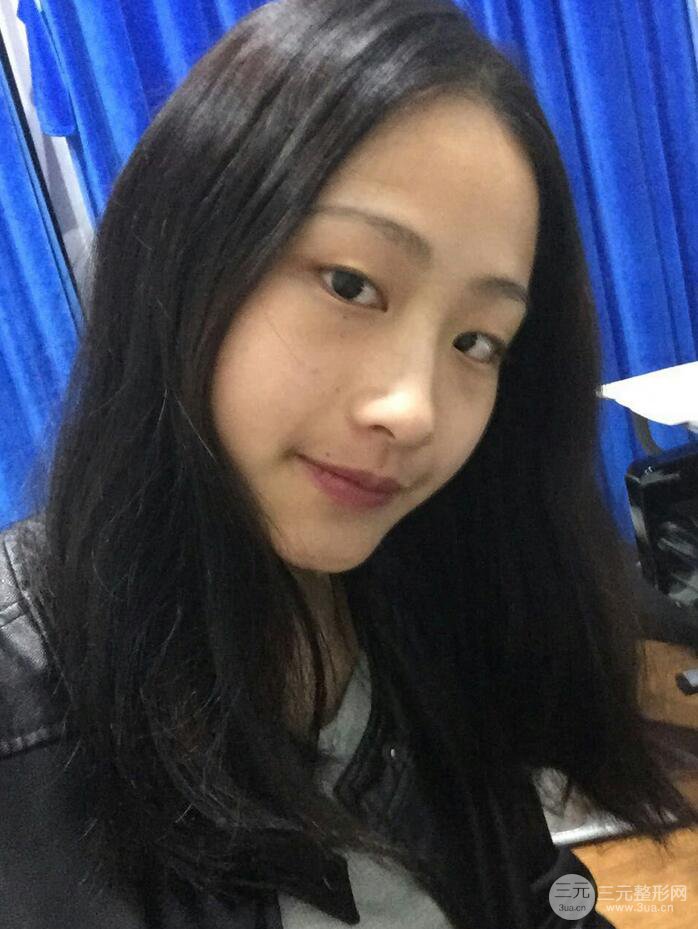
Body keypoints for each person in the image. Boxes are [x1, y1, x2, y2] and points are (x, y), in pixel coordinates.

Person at [1, 1, 695, 927]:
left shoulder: (422, 600)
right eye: (351, 283)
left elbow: (536, 897)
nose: (415, 410)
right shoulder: (23, 721)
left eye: (477, 341)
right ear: (185, 251)